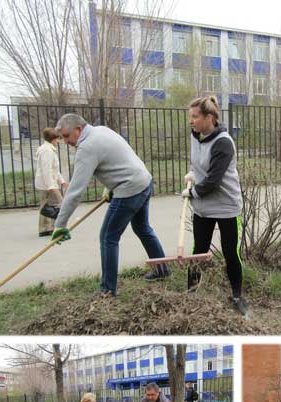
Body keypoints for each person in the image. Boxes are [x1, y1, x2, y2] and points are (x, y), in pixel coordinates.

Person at [52, 113, 168, 297]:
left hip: (129, 188)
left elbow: (75, 191)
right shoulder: (100, 131)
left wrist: (60, 224)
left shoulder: (86, 147)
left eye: (66, 136)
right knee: (142, 228)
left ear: (78, 130)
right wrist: (109, 188)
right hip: (143, 180)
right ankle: (162, 269)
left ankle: (107, 290)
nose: (65, 141)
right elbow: (117, 158)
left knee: (108, 237)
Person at [183, 96, 248, 317]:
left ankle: (237, 297)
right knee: (198, 251)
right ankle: (191, 295)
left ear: (209, 118)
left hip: (226, 206)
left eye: (195, 117)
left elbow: (213, 180)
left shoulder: (223, 142)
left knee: (231, 253)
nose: (191, 121)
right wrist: (194, 173)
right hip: (203, 207)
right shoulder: (196, 135)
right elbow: (201, 164)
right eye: (190, 117)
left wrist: (192, 191)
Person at [34, 127, 67, 237]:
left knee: (47, 205)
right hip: (47, 183)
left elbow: (54, 169)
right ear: (53, 139)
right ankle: (49, 227)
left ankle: (45, 228)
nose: (58, 141)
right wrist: (51, 185)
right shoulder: (47, 151)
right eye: (57, 139)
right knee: (52, 205)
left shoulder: (48, 149)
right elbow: (46, 169)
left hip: (47, 182)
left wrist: (61, 180)